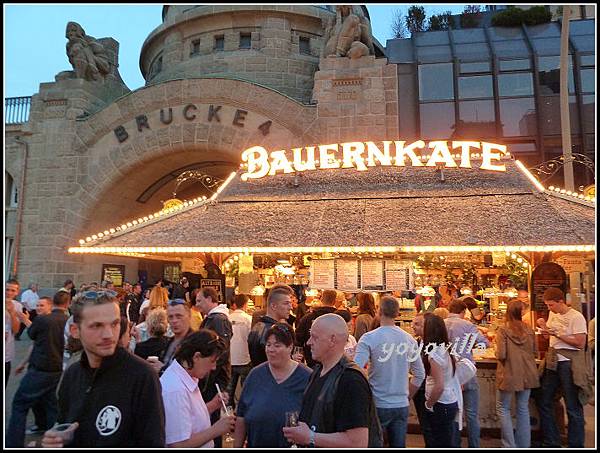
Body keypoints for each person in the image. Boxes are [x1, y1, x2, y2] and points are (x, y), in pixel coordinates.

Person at [41, 289, 165, 447]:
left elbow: (153, 443)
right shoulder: (73, 374)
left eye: (114, 324)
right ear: (75, 331)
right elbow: (64, 423)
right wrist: (59, 440)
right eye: (96, 326)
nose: (108, 334)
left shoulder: (141, 376)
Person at [283, 314, 382, 447]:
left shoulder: (351, 380)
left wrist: (310, 437)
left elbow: (358, 442)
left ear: (332, 340)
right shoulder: (318, 371)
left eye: (315, 337)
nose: (308, 342)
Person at [354, 296, 425, 447]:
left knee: (374, 444)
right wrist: (407, 396)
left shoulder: (369, 338)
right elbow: (419, 374)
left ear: (379, 311)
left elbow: (356, 370)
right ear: (397, 313)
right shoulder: (408, 339)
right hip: (401, 404)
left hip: (377, 402)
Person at [6, 291, 70, 447]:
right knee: (49, 403)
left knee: (20, 405)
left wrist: (25, 319)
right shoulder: (67, 321)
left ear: (52, 304)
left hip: (41, 368)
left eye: (42, 305)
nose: (39, 308)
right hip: (56, 368)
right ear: (68, 304)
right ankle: (52, 434)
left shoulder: (44, 320)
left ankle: (14, 443)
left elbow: (32, 334)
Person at [234, 323, 312, 447]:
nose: (270, 349)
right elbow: (241, 416)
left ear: (290, 347)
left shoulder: (306, 377)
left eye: (277, 345)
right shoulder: (255, 375)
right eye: (268, 345)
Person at [160, 329, 236, 447]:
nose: (214, 367)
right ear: (197, 357)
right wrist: (216, 430)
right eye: (212, 361)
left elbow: (189, 419)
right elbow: (178, 445)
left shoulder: (187, 378)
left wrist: (213, 405)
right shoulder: (176, 390)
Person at [536, 287, 590, 447]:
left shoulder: (576, 317)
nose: (549, 308)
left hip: (568, 362)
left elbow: (580, 342)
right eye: (547, 305)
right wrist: (544, 327)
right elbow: (549, 336)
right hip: (553, 361)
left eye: (551, 305)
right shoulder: (553, 314)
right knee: (544, 399)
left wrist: (557, 334)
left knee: (572, 404)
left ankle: (576, 444)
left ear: (561, 302)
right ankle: (552, 440)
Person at [444, 298, 489, 448]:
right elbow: (484, 344)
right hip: (467, 371)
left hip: (448, 374)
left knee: (453, 414)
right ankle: (474, 446)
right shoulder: (467, 325)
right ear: (463, 312)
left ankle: (454, 445)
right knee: (471, 414)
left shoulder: (440, 324)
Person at [495, 299, 539, 448]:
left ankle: (509, 445)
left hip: (509, 373)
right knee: (523, 408)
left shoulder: (503, 330)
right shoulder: (529, 329)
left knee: (503, 408)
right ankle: (524, 445)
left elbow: (501, 354)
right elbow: (535, 352)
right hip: (528, 373)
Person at [197, 287, 233, 448]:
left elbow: (221, 350)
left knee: (213, 417)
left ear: (211, 299)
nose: (197, 305)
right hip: (212, 376)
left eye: (200, 301)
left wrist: (208, 370)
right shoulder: (214, 318)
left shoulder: (218, 319)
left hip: (215, 378)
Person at [421, 313, 459, 447]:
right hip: (449, 401)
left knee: (439, 441)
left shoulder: (434, 353)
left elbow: (439, 385)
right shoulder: (447, 349)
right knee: (446, 440)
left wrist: (428, 404)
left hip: (440, 404)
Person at [248, 284, 294, 367]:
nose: (290, 307)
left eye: (290, 303)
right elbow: (278, 364)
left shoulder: (257, 326)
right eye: (286, 303)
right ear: (273, 306)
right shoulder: (275, 331)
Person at [295, 289, 338, 368]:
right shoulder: (340, 318)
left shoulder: (308, 318)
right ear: (335, 301)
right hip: (335, 363)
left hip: (312, 363)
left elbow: (298, 340)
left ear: (321, 299)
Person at [151, 299, 194, 374]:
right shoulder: (168, 342)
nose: (174, 321)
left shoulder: (195, 342)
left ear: (189, 316)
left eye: (179, 316)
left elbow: (192, 373)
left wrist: (162, 369)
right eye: (170, 317)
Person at [228, 294, 253, 409]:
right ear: (245, 304)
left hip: (230, 359)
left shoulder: (228, 317)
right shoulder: (248, 319)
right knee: (245, 389)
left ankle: (229, 412)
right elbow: (251, 338)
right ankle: (242, 411)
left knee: (230, 389)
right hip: (244, 358)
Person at [5, 279, 29, 387]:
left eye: (12, 290)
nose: (9, 293)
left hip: (6, 353)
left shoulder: (17, 306)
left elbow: (16, 330)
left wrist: (12, 312)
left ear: (17, 292)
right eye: (7, 289)